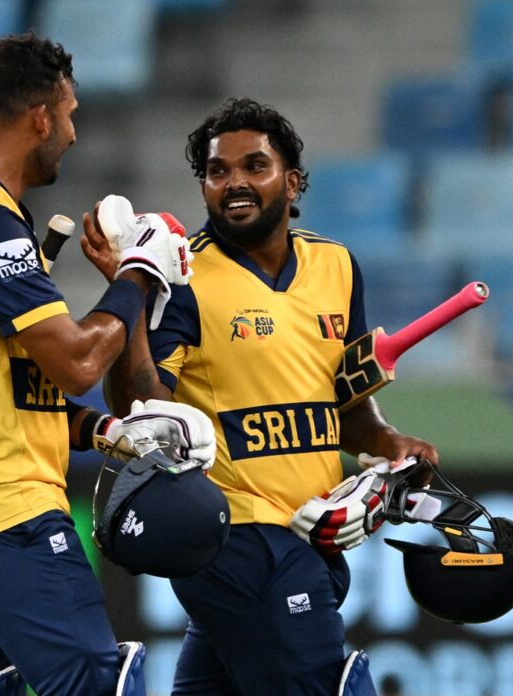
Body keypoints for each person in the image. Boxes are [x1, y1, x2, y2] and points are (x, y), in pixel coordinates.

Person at [0, 30, 214, 696]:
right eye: (68, 115)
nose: (72, 133)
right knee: (99, 683)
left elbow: (5, 384)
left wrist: (102, 430)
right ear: (39, 117)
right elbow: (78, 362)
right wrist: (139, 271)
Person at [105, 97, 440, 695]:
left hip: (313, 537)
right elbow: (140, 409)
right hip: (239, 539)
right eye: (218, 171)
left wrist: (389, 441)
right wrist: (129, 291)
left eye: (254, 166)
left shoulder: (337, 266)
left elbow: (346, 402)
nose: (234, 182)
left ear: (292, 182)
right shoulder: (182, 278)